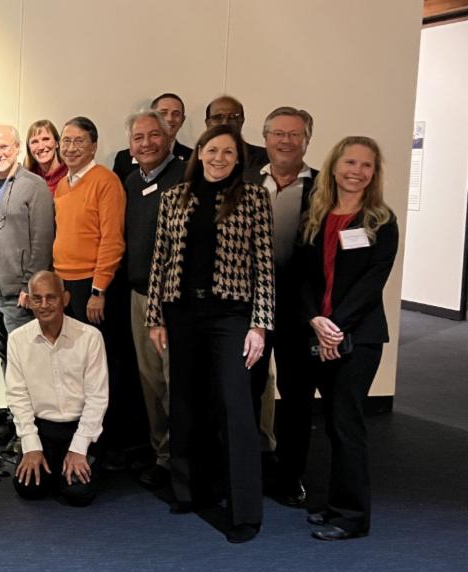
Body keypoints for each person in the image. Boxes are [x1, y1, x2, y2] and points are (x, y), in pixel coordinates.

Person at [145, 124, 274, 543]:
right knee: (184, 402)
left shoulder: (254, 198)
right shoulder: (173, 198)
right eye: (212, 150)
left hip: (230, 316)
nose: (219, 158)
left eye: (228, 152)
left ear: (239, 159)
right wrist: (155, 317)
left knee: (236, 408)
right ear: (199, 152)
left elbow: (264, 266)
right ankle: (188, 491)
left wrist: (259, 324)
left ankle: (244, 512)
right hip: (181, 311)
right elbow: (159, 260)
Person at [298, 136, 398, 541]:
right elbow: (303, 276)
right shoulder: (316, 214)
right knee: (335, 424)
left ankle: (353, 516)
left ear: (374, 174)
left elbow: (373, 282)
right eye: (350, 162)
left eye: (367, 165)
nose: (357, 171)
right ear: (335, 166)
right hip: (321, 332)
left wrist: (334, 325)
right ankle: (336, 505)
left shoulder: (381, 220)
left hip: (360, 337)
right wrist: (314, 320)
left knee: (347, 422)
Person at [246, 106, 319, 508]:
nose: (285, 141)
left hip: (298, 308)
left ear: (307, 139)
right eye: (277, 133)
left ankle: (290, 475)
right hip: (251, 307)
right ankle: (244, 466)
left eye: (294, 134)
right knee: (247, 388)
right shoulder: (245, 181)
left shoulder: (322, 187)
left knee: (297, 394)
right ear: (266, 137)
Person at [121, 109, 186, 489]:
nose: (146, 143)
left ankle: (183, 458)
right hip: (139, 295)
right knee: (150, 383)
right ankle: (162, 454)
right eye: (138, 137)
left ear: (169, 137)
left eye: (153, 135)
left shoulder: (185, 178)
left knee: (175, 380)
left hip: (174, 301)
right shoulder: (131, 182)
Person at [8, 271, 109, 506]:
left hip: (80, 427)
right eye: (37, 298)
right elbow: (17, 396)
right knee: (28, 488)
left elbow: (97, 398)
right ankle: (53, 467)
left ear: (65, 299)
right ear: (29, 300)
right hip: (43, 428)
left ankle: (68, 466)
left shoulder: (90, 337)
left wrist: (79, 447)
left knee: (78, 494)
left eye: (51, 297)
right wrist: (31, 446)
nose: (44, 305)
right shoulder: (17, 340)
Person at [0, 124, 53, 370]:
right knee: (5, 358)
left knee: (27, 361)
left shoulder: (34, 185)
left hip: (18, 296)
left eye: (4, 147)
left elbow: (42, 239)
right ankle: (14, 408)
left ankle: (29, 410)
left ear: (17, 148)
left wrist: (30, 285)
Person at [52, 116, 125, 323]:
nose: (71, 148)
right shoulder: (62, 185)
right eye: (66, 141)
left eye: (79, 141)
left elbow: (112, 240)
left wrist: (98, 290)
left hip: (91, 283)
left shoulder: (106, 181)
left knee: (95, 350)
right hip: (62, 281)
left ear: (93, 147)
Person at [112, 93, 194, 181]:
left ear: (182, 120)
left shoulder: (193, 158)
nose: (169, 119)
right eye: (163, 113)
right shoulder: (124, 160)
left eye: (176, 114)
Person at [204, 95, 268, 171]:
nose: (225, 123)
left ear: (241, 121)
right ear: (208, 123)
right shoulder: (196, 160)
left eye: (232, 117)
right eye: (218, 117)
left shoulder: (264, 158)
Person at [24, 119, 67, 192]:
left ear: (57, 143)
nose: (41, 147)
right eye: (34, 142)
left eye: (46, 139)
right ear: (29, 148)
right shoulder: (26, 178)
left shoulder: (70, 175)